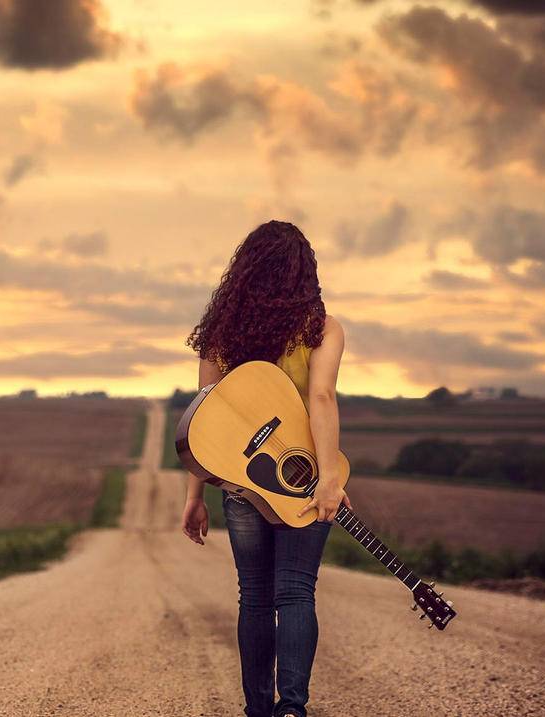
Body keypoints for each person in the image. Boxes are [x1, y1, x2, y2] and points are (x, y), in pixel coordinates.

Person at [180, 219, 349, 717]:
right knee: (296, 592)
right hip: (305, 481)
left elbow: (203, 424)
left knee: (254, 597)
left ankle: (258, 711)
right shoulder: (322, 329)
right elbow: (321, 397)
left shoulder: (222, 334)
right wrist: (329, 479)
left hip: (241, 487)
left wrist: (194, 497)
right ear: (306, 273)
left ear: (245, 271)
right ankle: (292, 709)